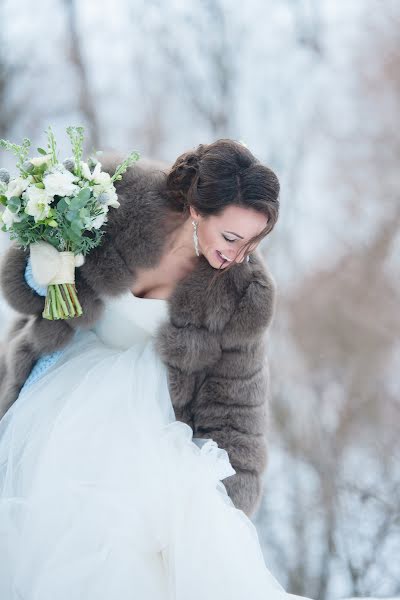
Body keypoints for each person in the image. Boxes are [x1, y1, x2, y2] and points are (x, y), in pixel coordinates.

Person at [0, 139, 309, 599]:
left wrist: (225, 505)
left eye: (252, 243)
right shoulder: (112, 195)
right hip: (57, 388)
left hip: (147, 428)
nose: (237, 256)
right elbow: (27, 291)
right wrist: (47, 267)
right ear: (195, 210)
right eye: (230, 238)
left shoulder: (244, 293)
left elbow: (236, 405)